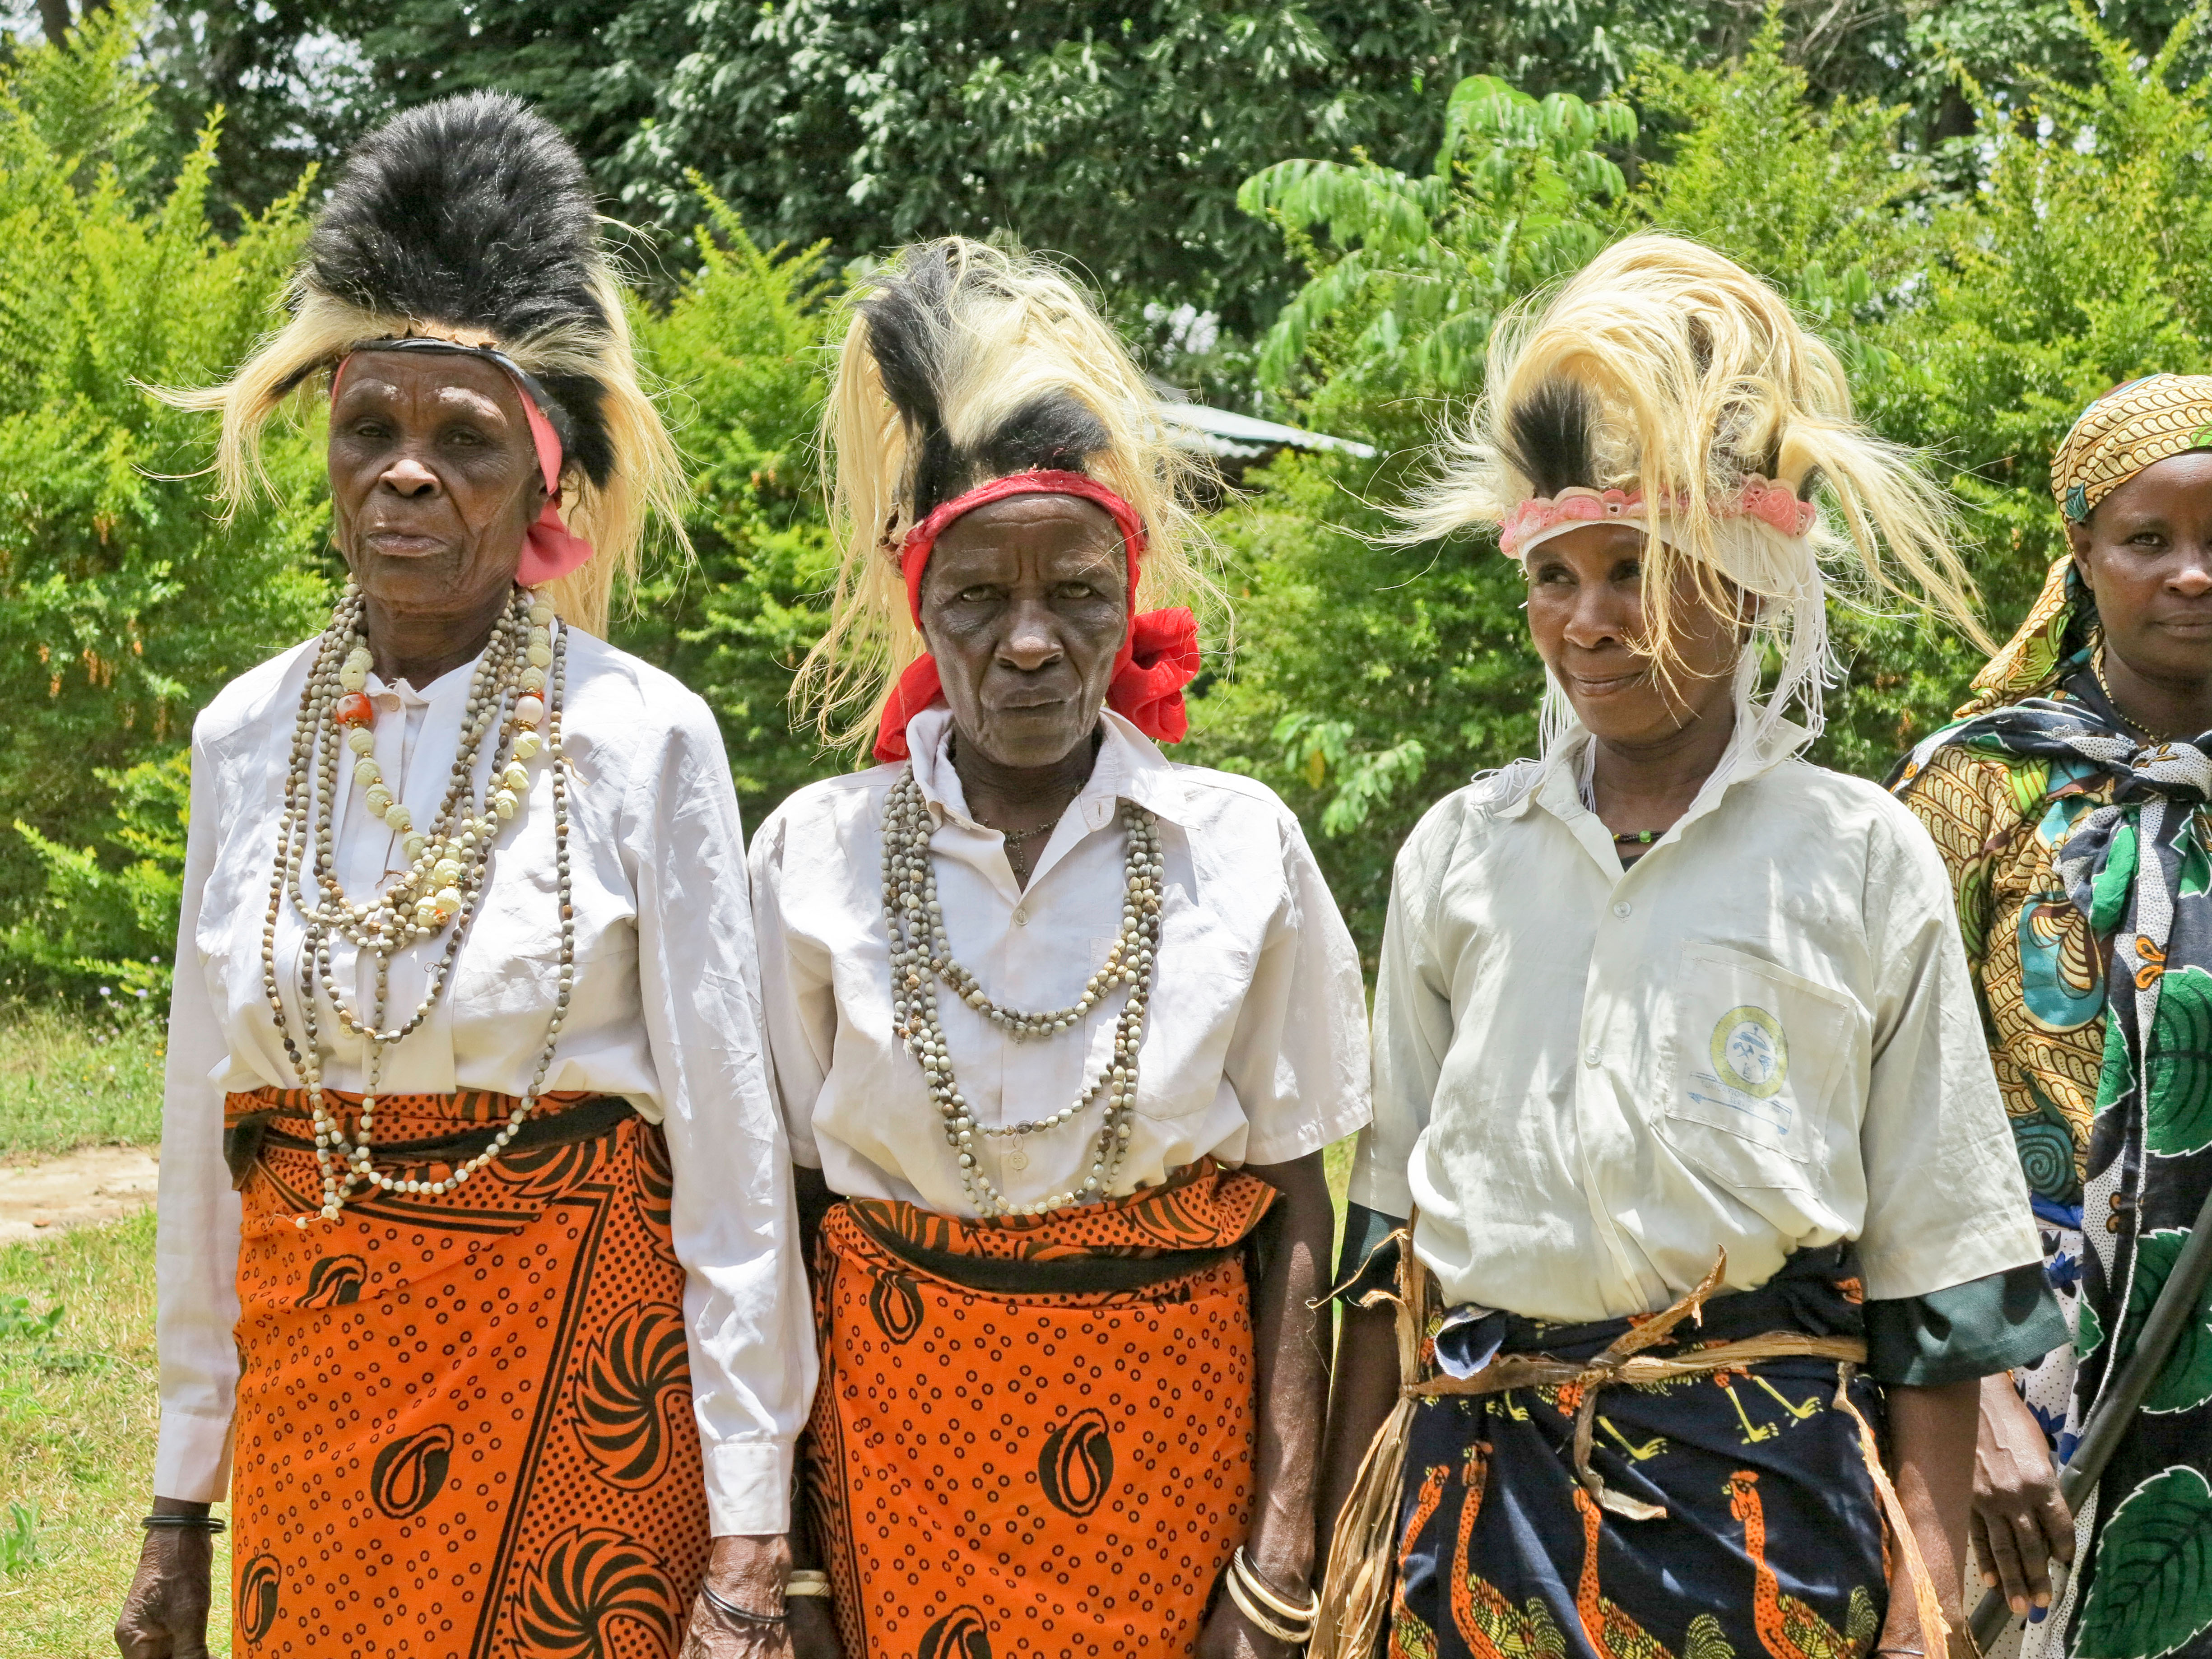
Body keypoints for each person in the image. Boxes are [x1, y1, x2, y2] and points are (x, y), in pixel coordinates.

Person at [114, 94, 815, 1659]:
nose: (406, 476)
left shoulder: (643, 739)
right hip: (314, 1415)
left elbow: (728, 1150)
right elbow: (194, 1131)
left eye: (464, 441)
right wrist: (179, 1504)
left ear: (541, 491)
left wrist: (751, 1539)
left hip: (588, 1401)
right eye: (372, 430)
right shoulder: (246, 736)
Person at [1313, 234, 2066, 1659]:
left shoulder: (1853, 853)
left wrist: (1920, 1619)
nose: (1587, 623)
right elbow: (1386, 1239)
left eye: (1636, 572)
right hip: (1478, 1508)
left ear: (1740, 585)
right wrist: (1343, 1566)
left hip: (1770, 1503)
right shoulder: (1460, 851)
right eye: (1556, 578)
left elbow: (1935, 1267)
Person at [749, 237, 1371, 1659]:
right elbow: (774, 1222)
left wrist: (1277, 1559)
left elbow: (1296, 1212)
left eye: (1077, 592)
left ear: (1127, 597)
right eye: (979, 596)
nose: (1029, 641)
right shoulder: (812, 856)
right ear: (922, 601)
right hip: (895, 1489)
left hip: (1176, 1486)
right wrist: (791, 1568)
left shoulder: (1238, 845)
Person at [1891, 374, 2212, 1659]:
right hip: (2028, 1397)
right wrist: (1967, 1397)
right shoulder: (1970, 786)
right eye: (2148, 540)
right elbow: (1875, 1113)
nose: (2192, 574)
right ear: (2079, 549)